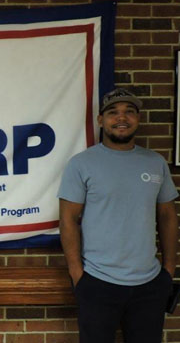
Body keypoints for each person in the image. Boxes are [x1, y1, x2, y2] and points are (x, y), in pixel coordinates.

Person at [57, 88, 178, 343]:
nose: (121, 118)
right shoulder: (81, 164)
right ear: (101, 120)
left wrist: (168, 270)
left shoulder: (155, 162)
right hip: (97, 282)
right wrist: (78, 275)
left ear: (138, 118)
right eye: (113, 112)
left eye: (129, 112)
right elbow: (68, 220)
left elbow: (167, 215)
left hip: (150, 283)